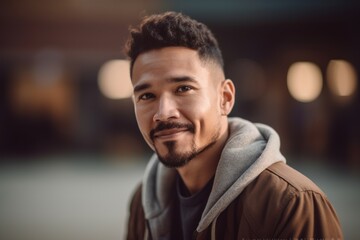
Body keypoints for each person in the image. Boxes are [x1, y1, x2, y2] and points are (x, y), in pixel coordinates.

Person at [124, 11, 343, 240]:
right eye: (147, 96)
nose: (163, 113)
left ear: (225, 98)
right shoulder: (144, 204)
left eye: (183, 89)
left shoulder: (291, 204)